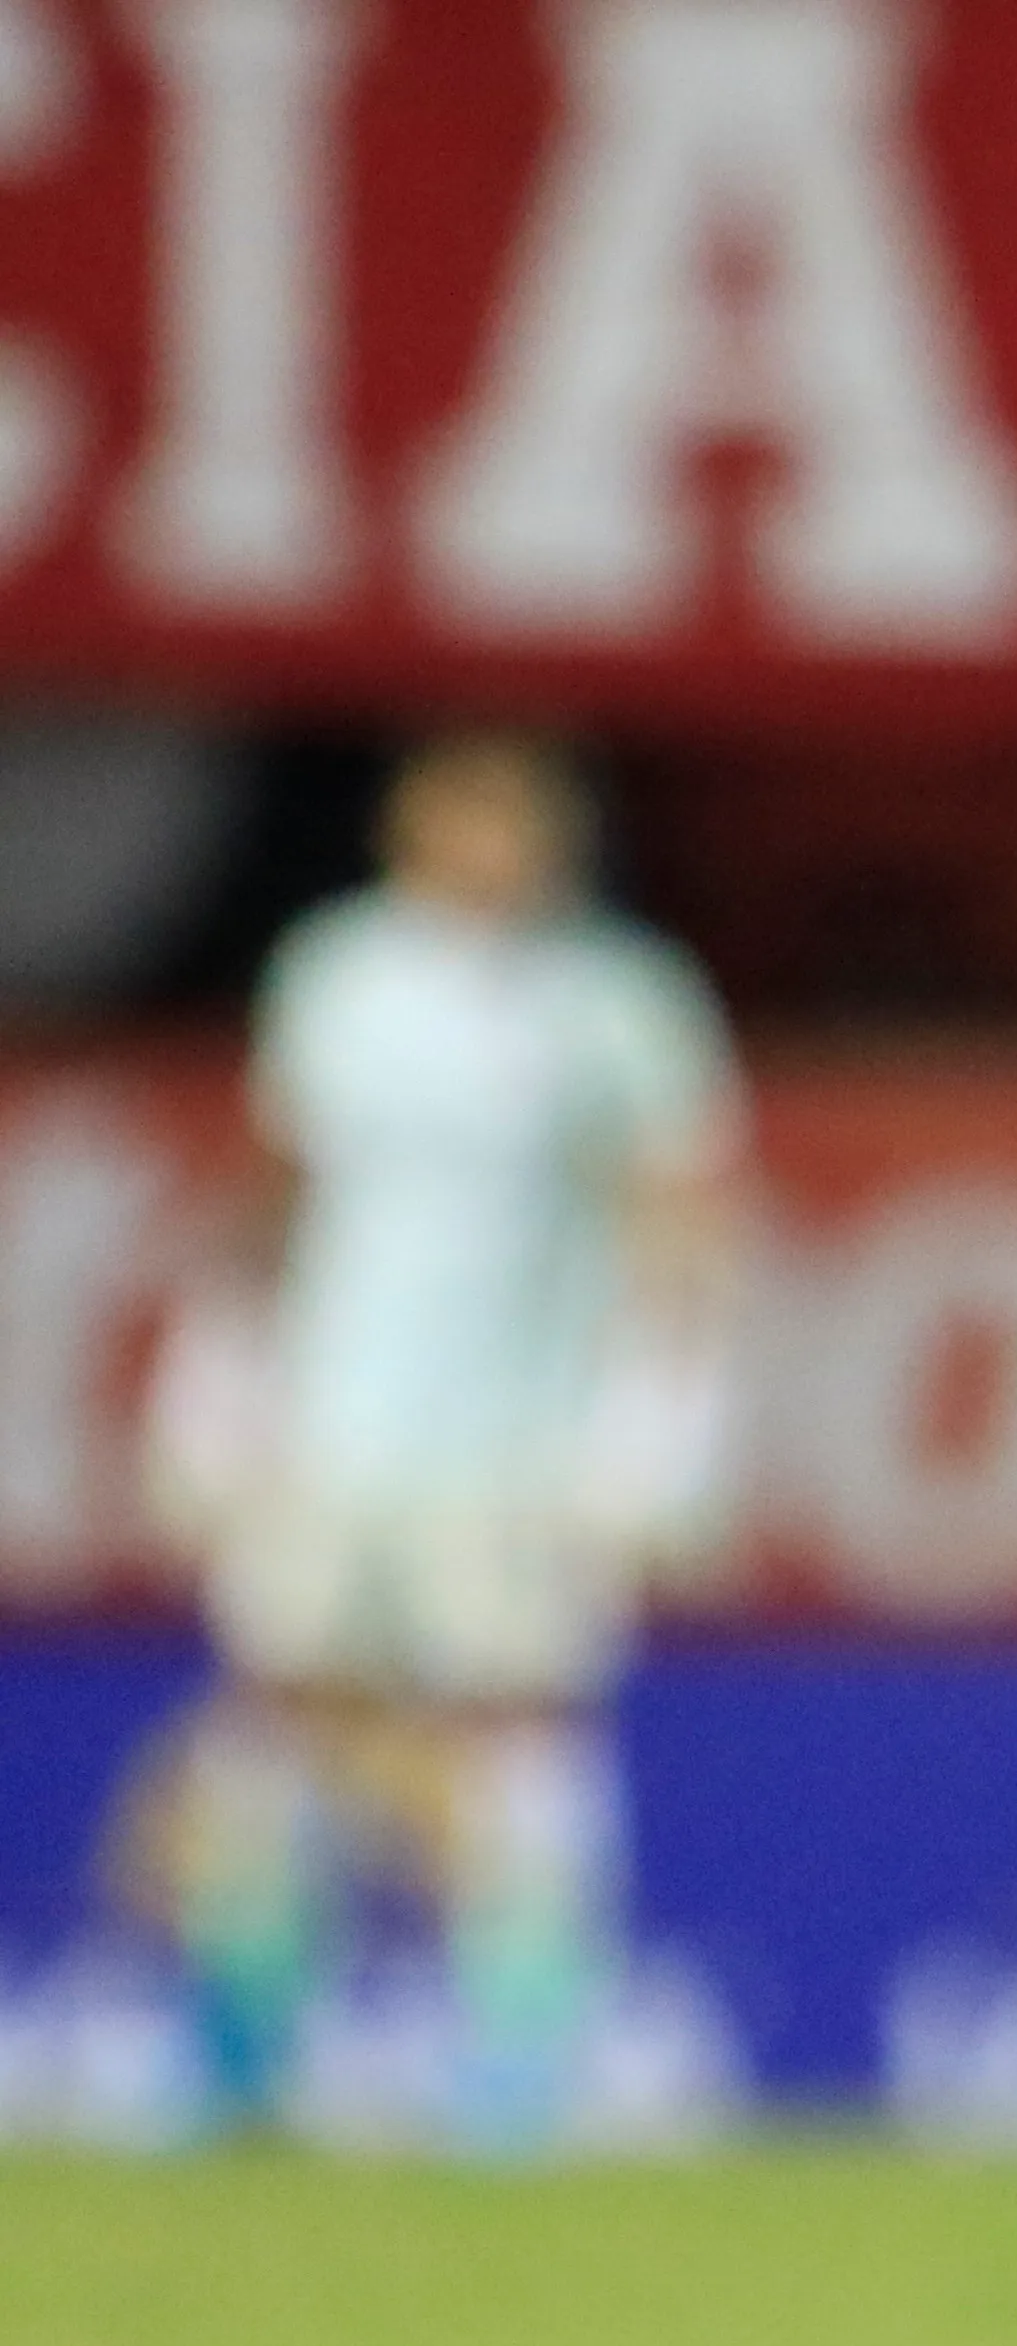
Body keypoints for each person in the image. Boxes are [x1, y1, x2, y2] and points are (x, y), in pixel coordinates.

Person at [150, 732, 744, 2155]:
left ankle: (522, 2055)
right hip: (335, 1422)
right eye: (467, 828)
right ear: (411, 839)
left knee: (519, 1723)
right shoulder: (340, 981)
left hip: (518, 1440)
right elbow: (281, 1181)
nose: (497, 857)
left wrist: (665, 1409)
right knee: (276, 1712)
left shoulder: (621, 1002)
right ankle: (242, 2044)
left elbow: (678, 1209)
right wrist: (216, 1363)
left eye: (520, 830)